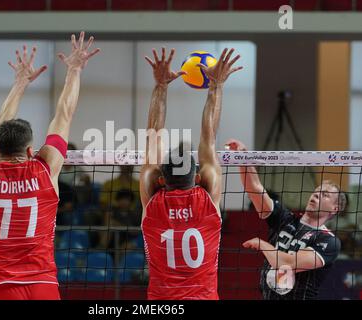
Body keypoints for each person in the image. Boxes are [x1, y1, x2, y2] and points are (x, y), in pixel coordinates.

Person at [0, 32, 100, 300]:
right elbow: (64, 114)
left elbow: (0, 125)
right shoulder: (45, 169)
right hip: (42, 282)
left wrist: (19, 84)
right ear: (31, 150)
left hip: (0, 287)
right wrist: (74, 70)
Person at [139, 47, 242, 299]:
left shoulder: (153, 201)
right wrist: (216, 86)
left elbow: (153, 135)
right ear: (198, 178)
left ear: (161, 180)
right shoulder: (207, 199)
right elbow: (209, 136)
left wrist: (160, 86)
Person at [226, 138, 346, 300]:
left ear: (334, 208)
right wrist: (243, 158)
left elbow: (288, 263)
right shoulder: (285, 219)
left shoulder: (328, 241)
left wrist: (262, 244)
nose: (316, 195)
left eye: (325, 195)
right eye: (316, 191)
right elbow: (254, 188)